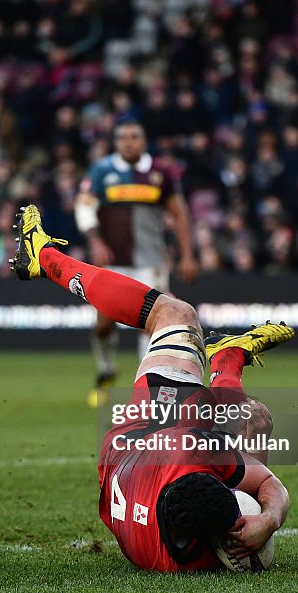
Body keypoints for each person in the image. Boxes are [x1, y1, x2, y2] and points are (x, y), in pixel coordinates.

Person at [10, 204, 290, 571]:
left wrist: (264, 518)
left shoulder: (186, 463)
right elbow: (273, 486)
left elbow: (251, 482)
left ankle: (44, 257)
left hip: (132, 442)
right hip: (150, 466)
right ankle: (226, 358)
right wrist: (267, 521)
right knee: (255, 421)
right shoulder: (190, 537)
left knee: (176, 315)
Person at [74, 119, 198, 407]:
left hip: (151, 263)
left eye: (134, 137)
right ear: (116, 142)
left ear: (143, 141)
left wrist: (188, 255)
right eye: (123, 137)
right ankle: (106, 370)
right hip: (113, 263)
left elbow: (179, 213)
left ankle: (145, 391)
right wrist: (96, 240)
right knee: (104, 326)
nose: (128, 142)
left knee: (153, 326)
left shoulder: (160, 173)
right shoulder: (102, 170)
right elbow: (84, 206)